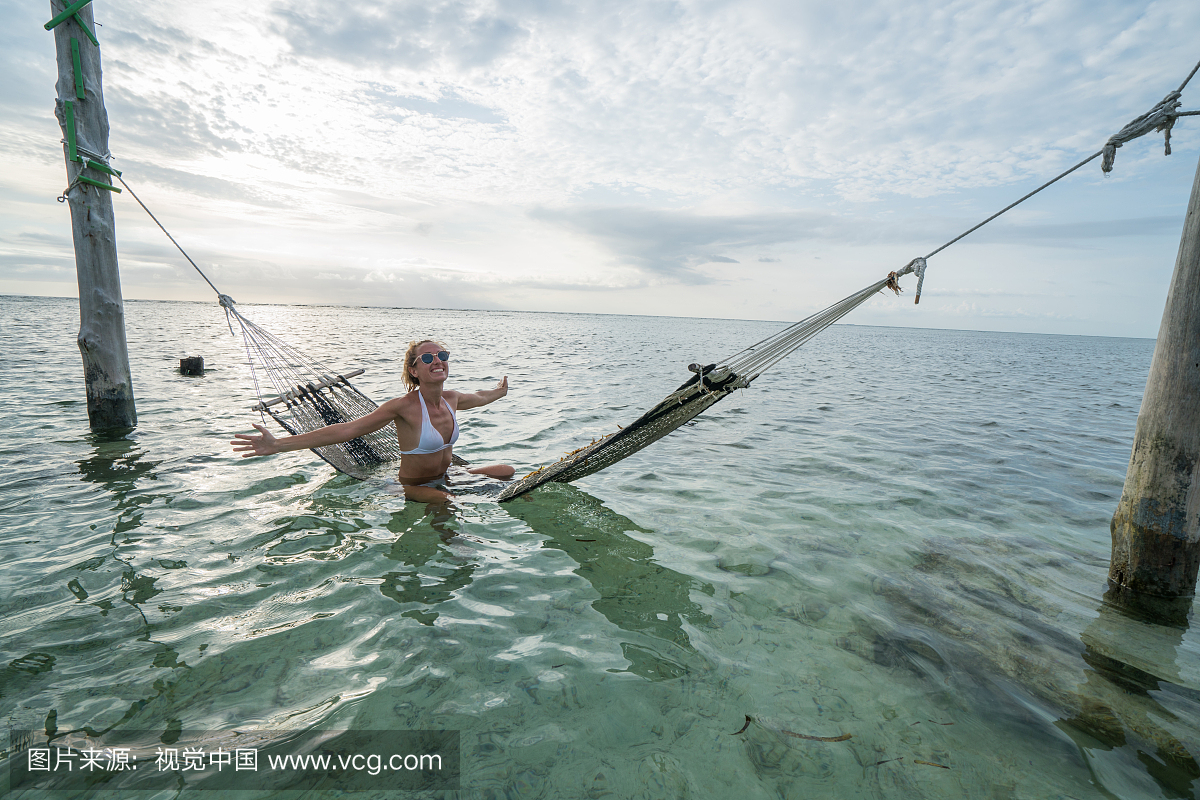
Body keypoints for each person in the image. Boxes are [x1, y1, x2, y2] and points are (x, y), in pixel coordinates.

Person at [231, 339, 514, 502]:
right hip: (413, 485)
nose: (437, 360)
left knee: (506, 470)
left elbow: (480, 396)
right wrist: (279, 444)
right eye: (427, 357)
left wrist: (500, 392)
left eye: (442, 355)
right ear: (414, 371)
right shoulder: (402, 407)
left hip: (447, 476)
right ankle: (453, 544)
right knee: (446, 500)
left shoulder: (452, 398)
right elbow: (347, 430)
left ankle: (514, 499)